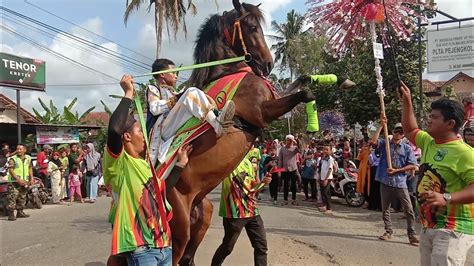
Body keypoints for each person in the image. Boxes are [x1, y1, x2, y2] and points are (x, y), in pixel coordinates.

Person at [104, 74, 194, 265]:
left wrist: (180, 165)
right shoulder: (119, 164)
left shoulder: (146, 166)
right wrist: (128, 93)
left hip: (163, 245)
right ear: (127, 136)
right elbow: (113, 130)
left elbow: (161, 190)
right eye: (140, 132)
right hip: (141, 249)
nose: (144, 137)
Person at [400, 83, 474, 266]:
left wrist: (446, 198)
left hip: (454, 227)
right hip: (429, 225)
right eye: (429, 116)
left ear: (450, 124)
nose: (428, 120)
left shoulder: (464, 153)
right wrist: (407, 101)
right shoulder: (429, 142)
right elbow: (409, 130)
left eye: (434, 117)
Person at [146, 58, 235, 165]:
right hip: (162, 130)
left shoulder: (174, 91)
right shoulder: (153, 88)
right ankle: (217, 124)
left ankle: (216, 117)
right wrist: (176, 98)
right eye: (173, 73)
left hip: (172, 125)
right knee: (191, 92)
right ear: (162, 74)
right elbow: (154, 108)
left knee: (195, 95)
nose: (176, 76)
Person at [211, 157, 272, 266]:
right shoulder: (229, 161)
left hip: (252, 211)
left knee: (261, 247)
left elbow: (252, 186)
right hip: (234, 213)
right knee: (227, 247)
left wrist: (263, 182)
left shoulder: (247, 162)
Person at [370, 120, 419, 245]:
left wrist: (397, 170)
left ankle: (412, 234)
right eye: (396, 131)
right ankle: (388, 231)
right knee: (385, 208)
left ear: (403, 134)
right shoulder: (385, 144)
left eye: (401, 132)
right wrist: (381, 125)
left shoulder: (407, 149)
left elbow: (413, 165)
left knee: (409, 210)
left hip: (400, 182)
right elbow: (373, 142)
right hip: (385, 181)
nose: (398, 133)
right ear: (393, 131)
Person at [6, 144, 33, 221]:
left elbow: (30, 167)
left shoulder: (28, 158)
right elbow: (11, 170)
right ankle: (11, 214)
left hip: (24, 181)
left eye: (20, 149)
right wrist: (18, 180)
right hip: (14, 182)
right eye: (17, 149)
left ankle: (20, 212)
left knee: (23, 197)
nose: (19, 151)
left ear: (25, 150)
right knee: (12, 198)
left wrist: (31, 178)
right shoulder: (13, 159)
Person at [278, 135, 300, 206]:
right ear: (286, 140)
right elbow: (280, 160)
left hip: (293, 169)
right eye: (288, 140)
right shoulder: (282, 149)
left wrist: (296, 143)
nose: (289, 142)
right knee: (286, 185)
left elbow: (301, 150)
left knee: (294, 185)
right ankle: (285, 200)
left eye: (291, 140)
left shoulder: (295, 148)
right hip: (285, 169)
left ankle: (294, 199)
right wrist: (279, 170)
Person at [318, 142, 335, 214]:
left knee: (326, 193)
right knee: (323, 192)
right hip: (322, 177)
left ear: (330, 151)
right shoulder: (324, 158)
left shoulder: (330, 159)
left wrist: (326, 179)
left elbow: (330, 169)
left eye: (327, 149)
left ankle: (329, 208)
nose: (325, 151)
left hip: (327, 178)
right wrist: (320, 177)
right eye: (324, 149)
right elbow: (321, 168)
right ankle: (324, 206)